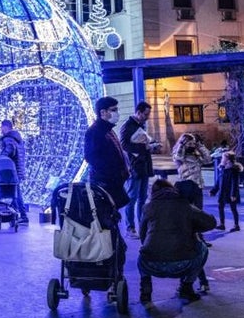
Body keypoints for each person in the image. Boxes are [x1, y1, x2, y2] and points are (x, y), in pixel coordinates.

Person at [137, 179, 215, 304]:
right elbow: (211, 223)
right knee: (203, 249)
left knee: (143, 254)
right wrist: (193, 228)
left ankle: (145, 291)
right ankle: (187, 286)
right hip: (182, 264)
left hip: (151, 264)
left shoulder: (148, 207)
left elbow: (142, 235)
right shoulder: (186, 206)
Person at [84, 96, 130, 209]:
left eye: (116, 110)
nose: (117, 113)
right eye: (113, 110)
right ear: (103, 112)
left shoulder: (108, 130)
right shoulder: (94, 132)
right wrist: (113, 173)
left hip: (114, 183)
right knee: (107, 217)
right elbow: (91, 157)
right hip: (105, 185)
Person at [172, 132, 212, 247]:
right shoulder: (180, 154)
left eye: (193, 143)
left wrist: (200, 146)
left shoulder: (196, 154)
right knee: (185, 214)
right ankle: (185, 239)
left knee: (199, 213)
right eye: (190, 143)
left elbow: (208, 160)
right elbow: (178, 157)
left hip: (197, 186)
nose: (192, 145)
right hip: (186, 186)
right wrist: (182, 144)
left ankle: (199, 239)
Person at [120, 101, 153, 239]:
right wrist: (142, 148)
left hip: (143, 166)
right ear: (138, 112)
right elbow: (124, 145)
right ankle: (130, 227)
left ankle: (142, 225)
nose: (147, 117)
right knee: (132, 197)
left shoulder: (140, 125)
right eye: (145, 114)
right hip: (134, 167)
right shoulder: (127, 126)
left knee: (142, 198)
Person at [0, 119, 28, 224]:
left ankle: (21, 216)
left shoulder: (8, 138)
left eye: (1, 127)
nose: (1, 129)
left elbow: (9, 150)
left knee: (15, 194)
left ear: (6, 127)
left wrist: (0, 158)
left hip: (12, 171)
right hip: (18, 170)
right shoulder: (17, 138)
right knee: (15, 194)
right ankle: (17, 216)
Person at [210, 151, 243, 232]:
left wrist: (233, 194)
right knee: (220, 207)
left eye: (223, 158)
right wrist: (213, 191)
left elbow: (234, 183)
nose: (222, 159)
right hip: (223, 191)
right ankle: (222, 224)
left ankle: (236, 225)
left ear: (228, 160)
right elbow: (218, 182)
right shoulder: (223, 168)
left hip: (231, 192)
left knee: (233, 208)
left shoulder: (233, 170)